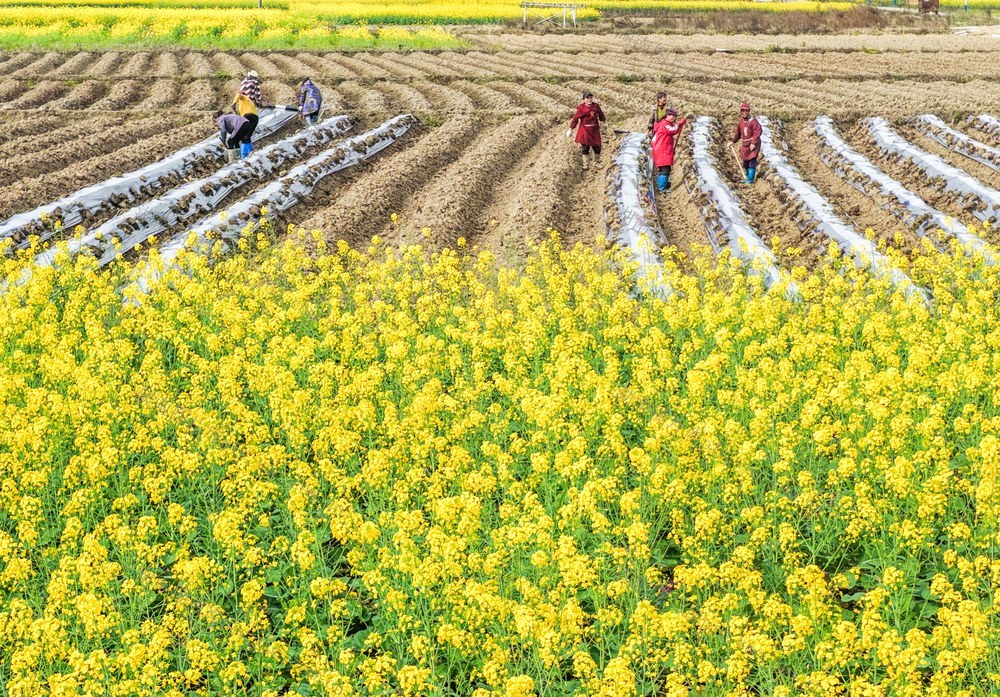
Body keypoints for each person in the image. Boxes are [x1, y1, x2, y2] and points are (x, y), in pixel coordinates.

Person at [651, 108, 689, 193]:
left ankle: (662, 184)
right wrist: (679, 123)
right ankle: (662, 187)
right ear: (668, 115)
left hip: (661, 148)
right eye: (673, 116)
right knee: (665, 169)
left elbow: (674, 130)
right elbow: (673, 130)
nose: (674, 118)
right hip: (662, 149)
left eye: (675, 116)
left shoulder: (664, 123)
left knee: (662, 168)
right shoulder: (665, 124)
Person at [569, 91, 606, 170]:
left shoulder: (595, 106)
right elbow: (575, 119)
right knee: (585, 147)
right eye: (587, 98)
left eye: (590, 98)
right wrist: (571, 129)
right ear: (584, 99)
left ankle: (596, 162)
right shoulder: (581, 108)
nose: (589, 99)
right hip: (585, 130)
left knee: (597, 147)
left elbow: (601, 114)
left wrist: (604, 121)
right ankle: (586, 164)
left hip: (594, 129)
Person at [731, 102, 762, 184]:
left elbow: (757, 132)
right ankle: (747, 177)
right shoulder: (741, 122)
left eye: (746, 111)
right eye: (742, 111)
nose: (744, 113)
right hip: (745, 144)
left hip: (753, 144)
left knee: (752, 160)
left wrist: (754, 143)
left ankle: (751, 179)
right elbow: (738, 133)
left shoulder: (753, 122)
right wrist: (732, 141)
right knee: (745, 162)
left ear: (749, 111)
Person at [231, 89, 259, 158]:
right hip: (254, 118)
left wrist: (234, 103)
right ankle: (250, 152)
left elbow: (239, 95)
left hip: (249, 116)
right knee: (247, 136)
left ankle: (243, 155)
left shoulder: (243, 98)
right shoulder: (246, 102)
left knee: (244, 136)